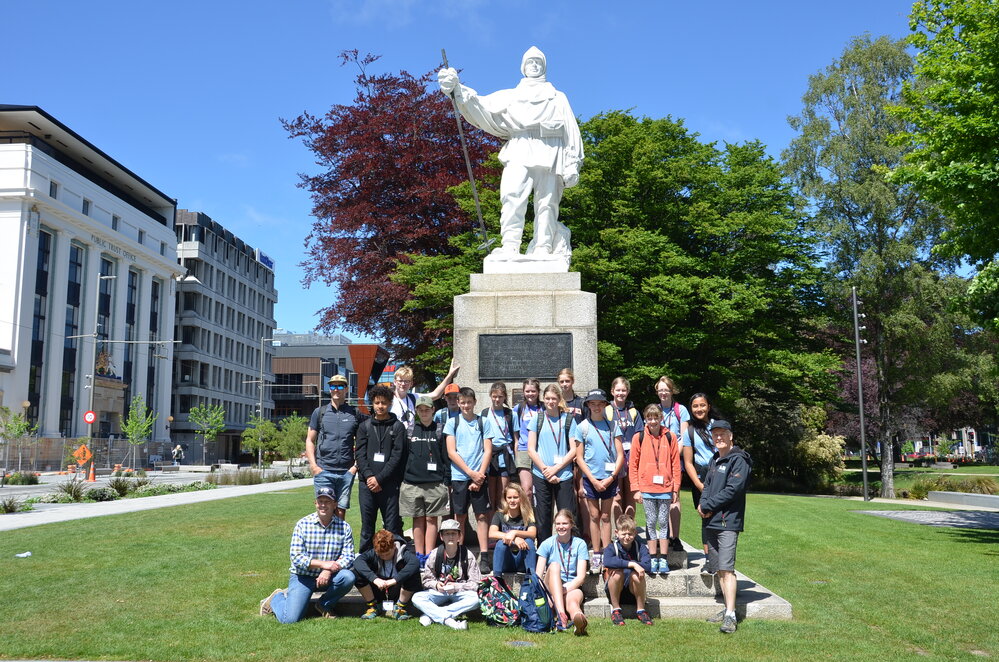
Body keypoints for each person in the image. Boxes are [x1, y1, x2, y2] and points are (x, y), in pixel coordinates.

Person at [437, 47, 583, 262]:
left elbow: (571, 131)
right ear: (523, 67)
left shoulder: (558, 98)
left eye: (538, 62)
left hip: (551, 151)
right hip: (519, 148)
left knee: (547, 204)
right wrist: (456, 88)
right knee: (512, 198)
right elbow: (480, 104)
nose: (534, 66)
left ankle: (543, 247)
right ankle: (510, 246)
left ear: (544, 67)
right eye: (530, 62)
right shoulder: (511, 96)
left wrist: (573, 163)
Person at [259, 487, 356, 622]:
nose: (323, 505)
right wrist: (323, 564)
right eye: (320, 501)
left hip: (330, 577)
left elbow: (349, 556)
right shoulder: (302, 525)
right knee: (289, 620)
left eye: (327, 502)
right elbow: (296, 557)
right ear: (315, 503)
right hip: (303, 577)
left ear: (335, 505)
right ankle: (276, 598)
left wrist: (327, 570)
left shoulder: (344, 527)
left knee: (348, 577)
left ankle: (324, 604)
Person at [698, 420, 752, 634]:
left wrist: (708, 505)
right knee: (719, 567)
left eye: (722, 434)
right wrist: (703, 504)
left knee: (727, 569)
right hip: (711, 521)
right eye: (715, 435)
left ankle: (730, 614)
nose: (718, 438)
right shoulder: (714, 459)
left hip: (727, 522)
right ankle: (727, 608)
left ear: (731, 436)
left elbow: (733, 490)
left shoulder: (739, 460)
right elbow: (707, 486)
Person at [574, 388, 624, 573]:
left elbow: (620, 455)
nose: (596, 407)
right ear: (588, 405)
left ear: (605, 405)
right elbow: (579, 458)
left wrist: (611, 477)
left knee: (606, 516)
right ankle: (596, 553)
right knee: (594, 516)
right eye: (592, 404)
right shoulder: (582, 427)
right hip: (591, 478)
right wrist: (593, 479)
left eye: (599, 403)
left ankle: (607, 550)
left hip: (609, 478)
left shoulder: (613, 426)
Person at [444, 386, 494, 570]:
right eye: (462, 402)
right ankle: (459, 554)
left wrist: (479, 475)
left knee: (481, 516)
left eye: (469, 402)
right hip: (460, 476)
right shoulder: (452, 423)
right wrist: (470, 473)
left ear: (475, 402)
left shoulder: (484, 422)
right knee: (460, 517)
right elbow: (451, 451)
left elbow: (487, 449)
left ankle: (484, 556)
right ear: (458, 403)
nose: (466, 405)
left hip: (480, 475)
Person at [355, 384, 407, 552]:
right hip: (367, 485)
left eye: (384, 403)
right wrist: (370, 477)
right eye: (377, 403)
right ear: (372, 403)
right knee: (367, 527)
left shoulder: (398, 427)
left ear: (390, 403)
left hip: (389, 485)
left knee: (391, 527)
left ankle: (391, 564)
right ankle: (364, 564)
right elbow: (360, 455)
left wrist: (380, 478)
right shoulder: (364, 427)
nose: (380, 406)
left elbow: (397, 456)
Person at [629, 404, 681, 575]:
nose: (653, 421)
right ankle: (652, 557)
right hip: (647, 487)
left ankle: (663, 559)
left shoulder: (670, 437)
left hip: (666, 488)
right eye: (649, 418)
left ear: (661, 418)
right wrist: (636, 488)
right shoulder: (639, 437)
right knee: (651, 522)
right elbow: (633, 464)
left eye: (656, 417)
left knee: (663, 523)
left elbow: (675, 464)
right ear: (645, 418)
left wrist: (676, 489)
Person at [401, 395, 450, 568]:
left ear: (433, 410)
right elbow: (404, 456)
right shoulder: (410, 430)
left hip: (435, 483)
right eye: (420, 410)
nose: (424, 413)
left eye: (427, 409)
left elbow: (445, 457)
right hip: (413, 482)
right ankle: (419, 554)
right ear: (416, 411)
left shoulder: (440, 430)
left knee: (431, 520)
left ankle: (429, 555)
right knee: (417, 519)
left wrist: (446, 480)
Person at [527, 384, 579, 542]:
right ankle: (544, 552)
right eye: (547, 398)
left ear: (559, 400)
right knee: (543, 516)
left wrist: (556, 468)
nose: (550, 401)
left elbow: (573, 449)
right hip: (541, 474)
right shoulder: (537, 418)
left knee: (567, 515)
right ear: (543, 399)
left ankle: (570, 550)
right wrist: (545, 470)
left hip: (563, 474)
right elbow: (531, 448)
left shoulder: (568, 419)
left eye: (554, 398)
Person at [306, 374, 360, 519]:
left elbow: (363, 442)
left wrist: (354, 467)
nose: (336, 389)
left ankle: (339, 542)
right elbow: (310, 440)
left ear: (346, 389)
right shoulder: (320, 413)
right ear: (329, 389)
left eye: (340, 386)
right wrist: (314, 466)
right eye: (333, 386)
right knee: (325, 512)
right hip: (324, 470)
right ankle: (323, 541)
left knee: (341, 512)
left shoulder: (354, 413)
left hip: (345, 472)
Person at [413, 518, 482, 630]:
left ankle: (432, 615)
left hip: (459, 592)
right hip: (439, 592)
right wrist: (436, 585)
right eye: (447, 534)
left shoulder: (467, 555)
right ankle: (450, 621)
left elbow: (475, 583)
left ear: (459, 536)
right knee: (417, 597)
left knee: (476, 599)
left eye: (454, 533)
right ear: (441, 537)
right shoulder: (435, 554)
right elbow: (426, 580)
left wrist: (457, 587)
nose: (451, 537)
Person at [535, 509, 589, 635]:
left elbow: (581, 577)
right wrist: (548, 595)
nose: (561, 527)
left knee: (573, 602)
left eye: (564, 523)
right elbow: (538, 576)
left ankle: (578, 620)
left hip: (571, 585)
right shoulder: (547, 543)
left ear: (571, 525)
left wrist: (563, 589)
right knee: (554, 566)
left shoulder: (580, 544)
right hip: (550, 585)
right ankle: (561, 614)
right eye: (558, 524)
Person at [683, 392, 721, 567]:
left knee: (722, 518)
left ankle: (722, 557)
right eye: (695, 406)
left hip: (720, 476)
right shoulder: (689, 431)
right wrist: (699, 485)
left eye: (702, 405)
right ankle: (709, 559)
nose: (699, 409)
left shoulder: (718, 427)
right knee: (706, 517)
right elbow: (688, 462)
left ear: (709, 406)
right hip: (700, 478)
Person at [353, 529, 421, 621]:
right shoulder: (373, 552)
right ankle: (373, 607)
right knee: (357, 573)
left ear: (394, 546)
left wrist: (394, 580)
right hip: (378, 589)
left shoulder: (404, 552)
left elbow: (415, 563)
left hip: (397, 589)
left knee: (413, 573)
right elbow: (358, 561)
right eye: (381, 555)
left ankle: (400, 608)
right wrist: (375, 579)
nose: (384, 557)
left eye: (388, 554)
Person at [655, 375, 690, 553]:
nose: (663, 392)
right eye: (660, 389)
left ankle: (675, 537)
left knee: (674, 498)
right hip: (657, 462)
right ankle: (663, 536)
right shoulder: (655, 410)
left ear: (672, 390)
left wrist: (673, 456)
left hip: (675, 459)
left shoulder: (681, 410)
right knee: (660, 499)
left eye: (666, 389)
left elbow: (684, 437)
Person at [602, 515, 653, 626]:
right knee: (616, 573)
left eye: (630, 534)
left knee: (637, 575)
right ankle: (615, 610)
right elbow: (607, 562)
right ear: (616, 533)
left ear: (634, 533)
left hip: (633, 590)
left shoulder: (640, 547)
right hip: (615, 589)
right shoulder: (611, 547)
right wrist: (632, 564)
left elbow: (648, 566)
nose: (626, 537)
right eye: (623, 534)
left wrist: (631, 567)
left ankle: (641, 610)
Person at [391, 361, 460, 435]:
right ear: (395, 382)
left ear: (411, 384)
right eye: (400, 381)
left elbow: (436, 394)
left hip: (408, 438)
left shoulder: (413, 398)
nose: (403, 384)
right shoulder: (389, 399)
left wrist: (450, 374)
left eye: (407, 381)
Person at [607, 377, 642, 522]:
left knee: (630, 495)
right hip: (613, 457)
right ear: (612, 391)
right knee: (617, 496)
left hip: (631, 457)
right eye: (618, 390)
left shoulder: (633, 411)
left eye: (623, 390)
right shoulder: (606, 410)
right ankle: (619, 531)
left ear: (627, 392)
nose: (620, 393)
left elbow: (640, 434)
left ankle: (629, 529)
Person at [482, 382, 515, 520]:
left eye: (500, 397)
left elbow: (515, 436)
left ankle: (502, 526)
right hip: (490, 456)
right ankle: (491, 530)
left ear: (504, 397)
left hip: (505, 456)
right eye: (494, 396)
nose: (497, 399)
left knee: (503, 495)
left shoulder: (509, 414)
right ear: (490, 396)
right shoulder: (484, 414)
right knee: (491, 496)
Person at [488, 483, 537, 575]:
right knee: (500, 543)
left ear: (521, 498)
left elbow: (532, 534)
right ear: (505, 499)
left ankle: (532, 580)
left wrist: (514, 532)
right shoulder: (499, 515)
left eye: (515, 497)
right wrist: (515, 538)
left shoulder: (527, 515)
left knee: (529, 542)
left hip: (523, 559)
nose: (512, 500)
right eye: (509, 497)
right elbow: (492, 533)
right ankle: (497, 580)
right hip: (507, 561)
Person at [512, 378, 543, 501]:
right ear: (523, 392)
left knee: (542, 490)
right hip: (524, 451)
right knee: (527, 490)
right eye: (527, 391)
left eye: (533, 391)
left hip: (541, 451)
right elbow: (515, 435)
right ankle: (528, 519)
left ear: (538, 391)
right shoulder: (518, 409)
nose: (530, 394)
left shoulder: (544, 408)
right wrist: (516, 453)